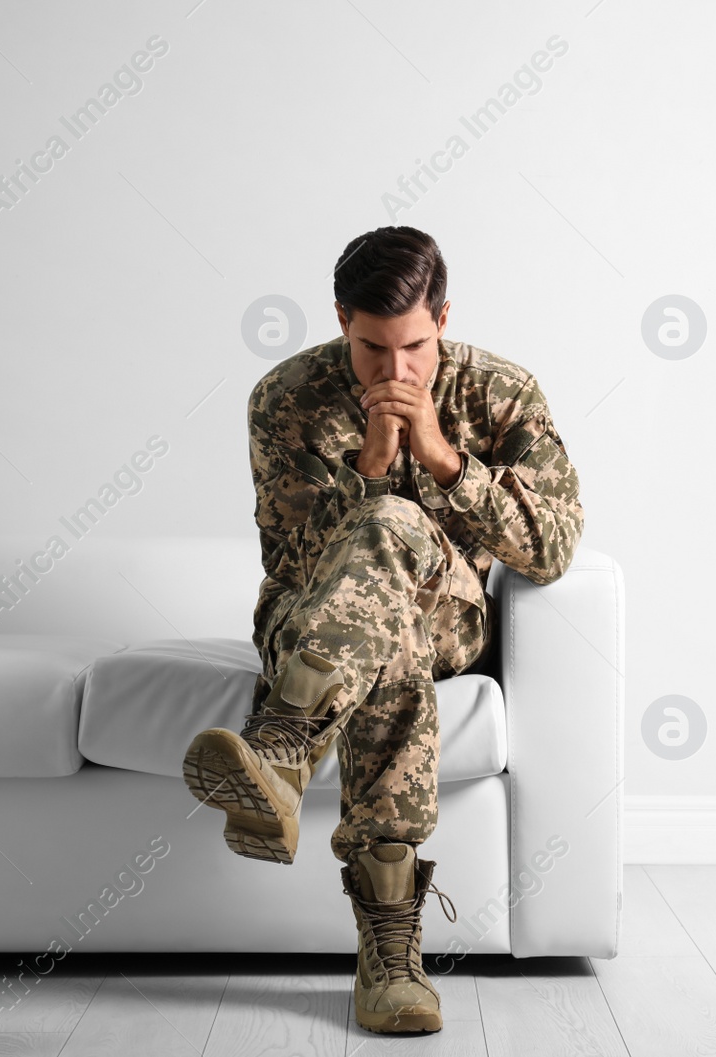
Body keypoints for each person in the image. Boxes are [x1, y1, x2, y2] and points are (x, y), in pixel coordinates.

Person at [182, 225, 584, 1034]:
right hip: (311, 615)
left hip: (453, 619)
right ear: (340, 320)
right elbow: (292, 560)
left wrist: (444, 460)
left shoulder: (501, 392)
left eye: (413, 348)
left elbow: (552, 548)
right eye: (371, 349)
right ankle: (391, 957)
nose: (394, 373)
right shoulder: (285, 398)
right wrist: (365, 469)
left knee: (398, 527)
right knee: (384, 630)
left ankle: (285, 746)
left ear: (442, 318)